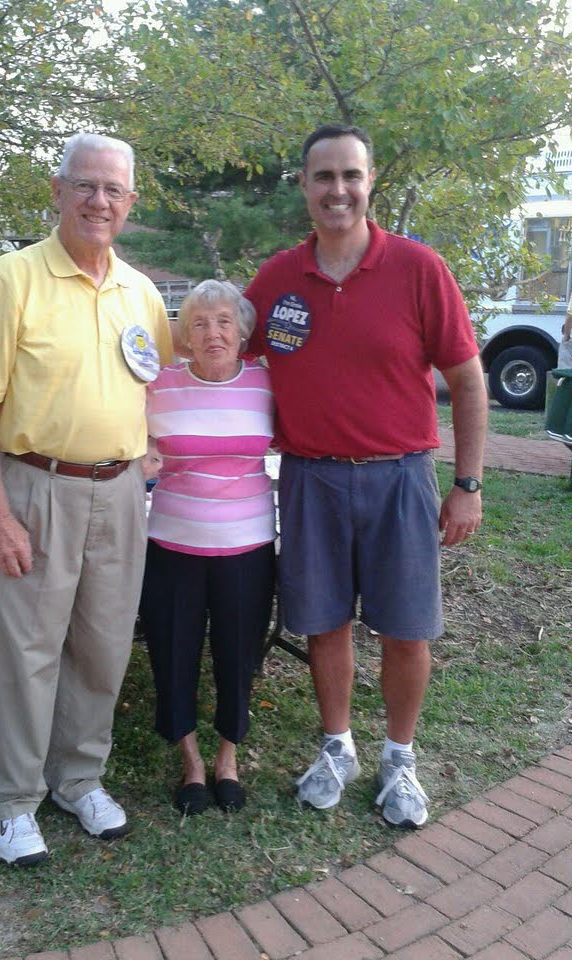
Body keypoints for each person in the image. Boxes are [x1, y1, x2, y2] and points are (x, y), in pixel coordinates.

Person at [244, 124, 487, 828]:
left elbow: (468, 382)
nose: (338, 190)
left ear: (370, 181)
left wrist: (467, 485)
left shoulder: (418, 268)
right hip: (310, 479)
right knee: (323, 625)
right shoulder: (280, 279)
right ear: (304, 186)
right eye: (323, 177)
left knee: (406, 630)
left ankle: (399, 759)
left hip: (400, 478)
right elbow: (221, 345)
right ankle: (337, 747)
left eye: (350, 175)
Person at [0, 132, 174, 865]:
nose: (98, 201)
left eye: (113, 190)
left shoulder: (141, 292)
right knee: (27, 650)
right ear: (57, 191)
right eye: (85, 185)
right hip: (35, 488)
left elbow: (159, 383)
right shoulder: (12, 279)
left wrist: (149, 448)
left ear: (131, 203)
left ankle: (78, 779)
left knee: (103, 647)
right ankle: (14, 798)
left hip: (119, 497)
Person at [140, 280, 276, 815]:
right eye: (199, 323)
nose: (212, 332)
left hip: (248, 543)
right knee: (173, 651)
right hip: (173, 542)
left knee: (238, 654)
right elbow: (133, 437)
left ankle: (227, 758)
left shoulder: (267, 383)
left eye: (224, 322)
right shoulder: (158, 383)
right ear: (185, 336)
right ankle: (191, 762)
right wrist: (146, 453)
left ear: (242, 333)